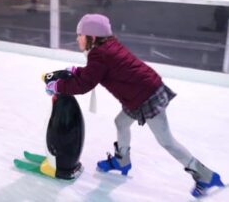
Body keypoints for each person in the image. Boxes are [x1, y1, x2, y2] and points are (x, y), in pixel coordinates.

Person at [45, 13, 224, 197]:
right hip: (139, 93)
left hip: (147, 97)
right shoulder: (106, 47)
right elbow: (94, 73)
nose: (77, 38)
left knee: (166, 141)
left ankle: (205, 175)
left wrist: (57, 85)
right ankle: (122, 161)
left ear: (92, 37)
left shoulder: (100, 55)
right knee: (121, 123)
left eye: (80, 34)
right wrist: (76, 71)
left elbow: (84, 84)